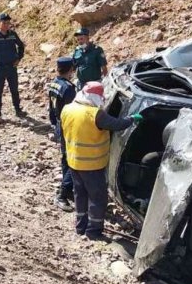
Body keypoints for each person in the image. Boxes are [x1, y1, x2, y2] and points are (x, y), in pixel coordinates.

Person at [60, 82, 143, 239]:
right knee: (98, 198)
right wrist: (132, 119)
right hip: (91, 165)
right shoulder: (95, 114)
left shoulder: (68, 109)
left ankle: (80, 227)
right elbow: (116, 124)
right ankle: (94, 231)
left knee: (80, 194)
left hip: (74, 162)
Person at [48, 57, 77, 212]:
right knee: (74, 161)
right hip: (68, 126)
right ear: (71, 70)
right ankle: (62, 195)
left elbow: (50, 109)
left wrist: (54, 125)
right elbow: (73, 111)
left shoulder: (54, 83)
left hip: (59, 124)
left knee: (66, 158)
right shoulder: (68, 88)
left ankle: (68, 189)